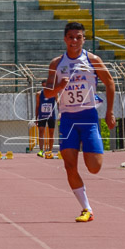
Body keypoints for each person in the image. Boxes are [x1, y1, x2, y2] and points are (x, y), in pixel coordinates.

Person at [43, 21, 116, 223]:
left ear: (83, 39)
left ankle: (89, 146)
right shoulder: (56, 64)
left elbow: (110, 82)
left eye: (79, 37)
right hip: (67, 118)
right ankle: (86, 208)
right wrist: (59, 87)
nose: (74, 41)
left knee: (94, 167)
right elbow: (47, 92)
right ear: (65, 39)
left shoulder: (92, 60)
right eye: (71, 37)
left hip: (88, 116)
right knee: (69, 166)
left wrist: (109, 112)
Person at [34, 80, 58, 156]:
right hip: (42, 116)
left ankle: (50, 151)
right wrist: (36, 117)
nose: (45, 87)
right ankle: (41, 150)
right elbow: (37, 106)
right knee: (41, 132)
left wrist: (61, 112)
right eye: (43, 86)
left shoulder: (54, 93)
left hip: (51, 116)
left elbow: (59, 103)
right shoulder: (39, 94)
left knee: (51, 133)